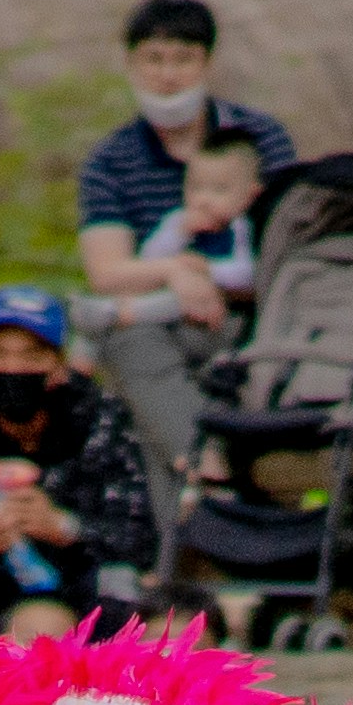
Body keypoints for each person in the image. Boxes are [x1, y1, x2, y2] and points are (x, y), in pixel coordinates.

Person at [0, 288, 156, 634]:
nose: (12, 368)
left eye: (31, 355)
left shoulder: (100, 415)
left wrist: (65, 527)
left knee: (122, 590)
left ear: (58, 363)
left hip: (73, 587)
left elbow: (137, 538)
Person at [88, 121, 277, 504]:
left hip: (222, 322)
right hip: (173, 316)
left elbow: (249, 276)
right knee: (138, 360)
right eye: (196, 189)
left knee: (132, 356)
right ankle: (201, 482)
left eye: (219, 190)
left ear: (248, 195)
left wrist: (206, 273)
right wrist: (177, 255)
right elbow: (150, 260)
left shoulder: (243, 231)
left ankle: (200, 463)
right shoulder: (179, 223)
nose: (205, 200)